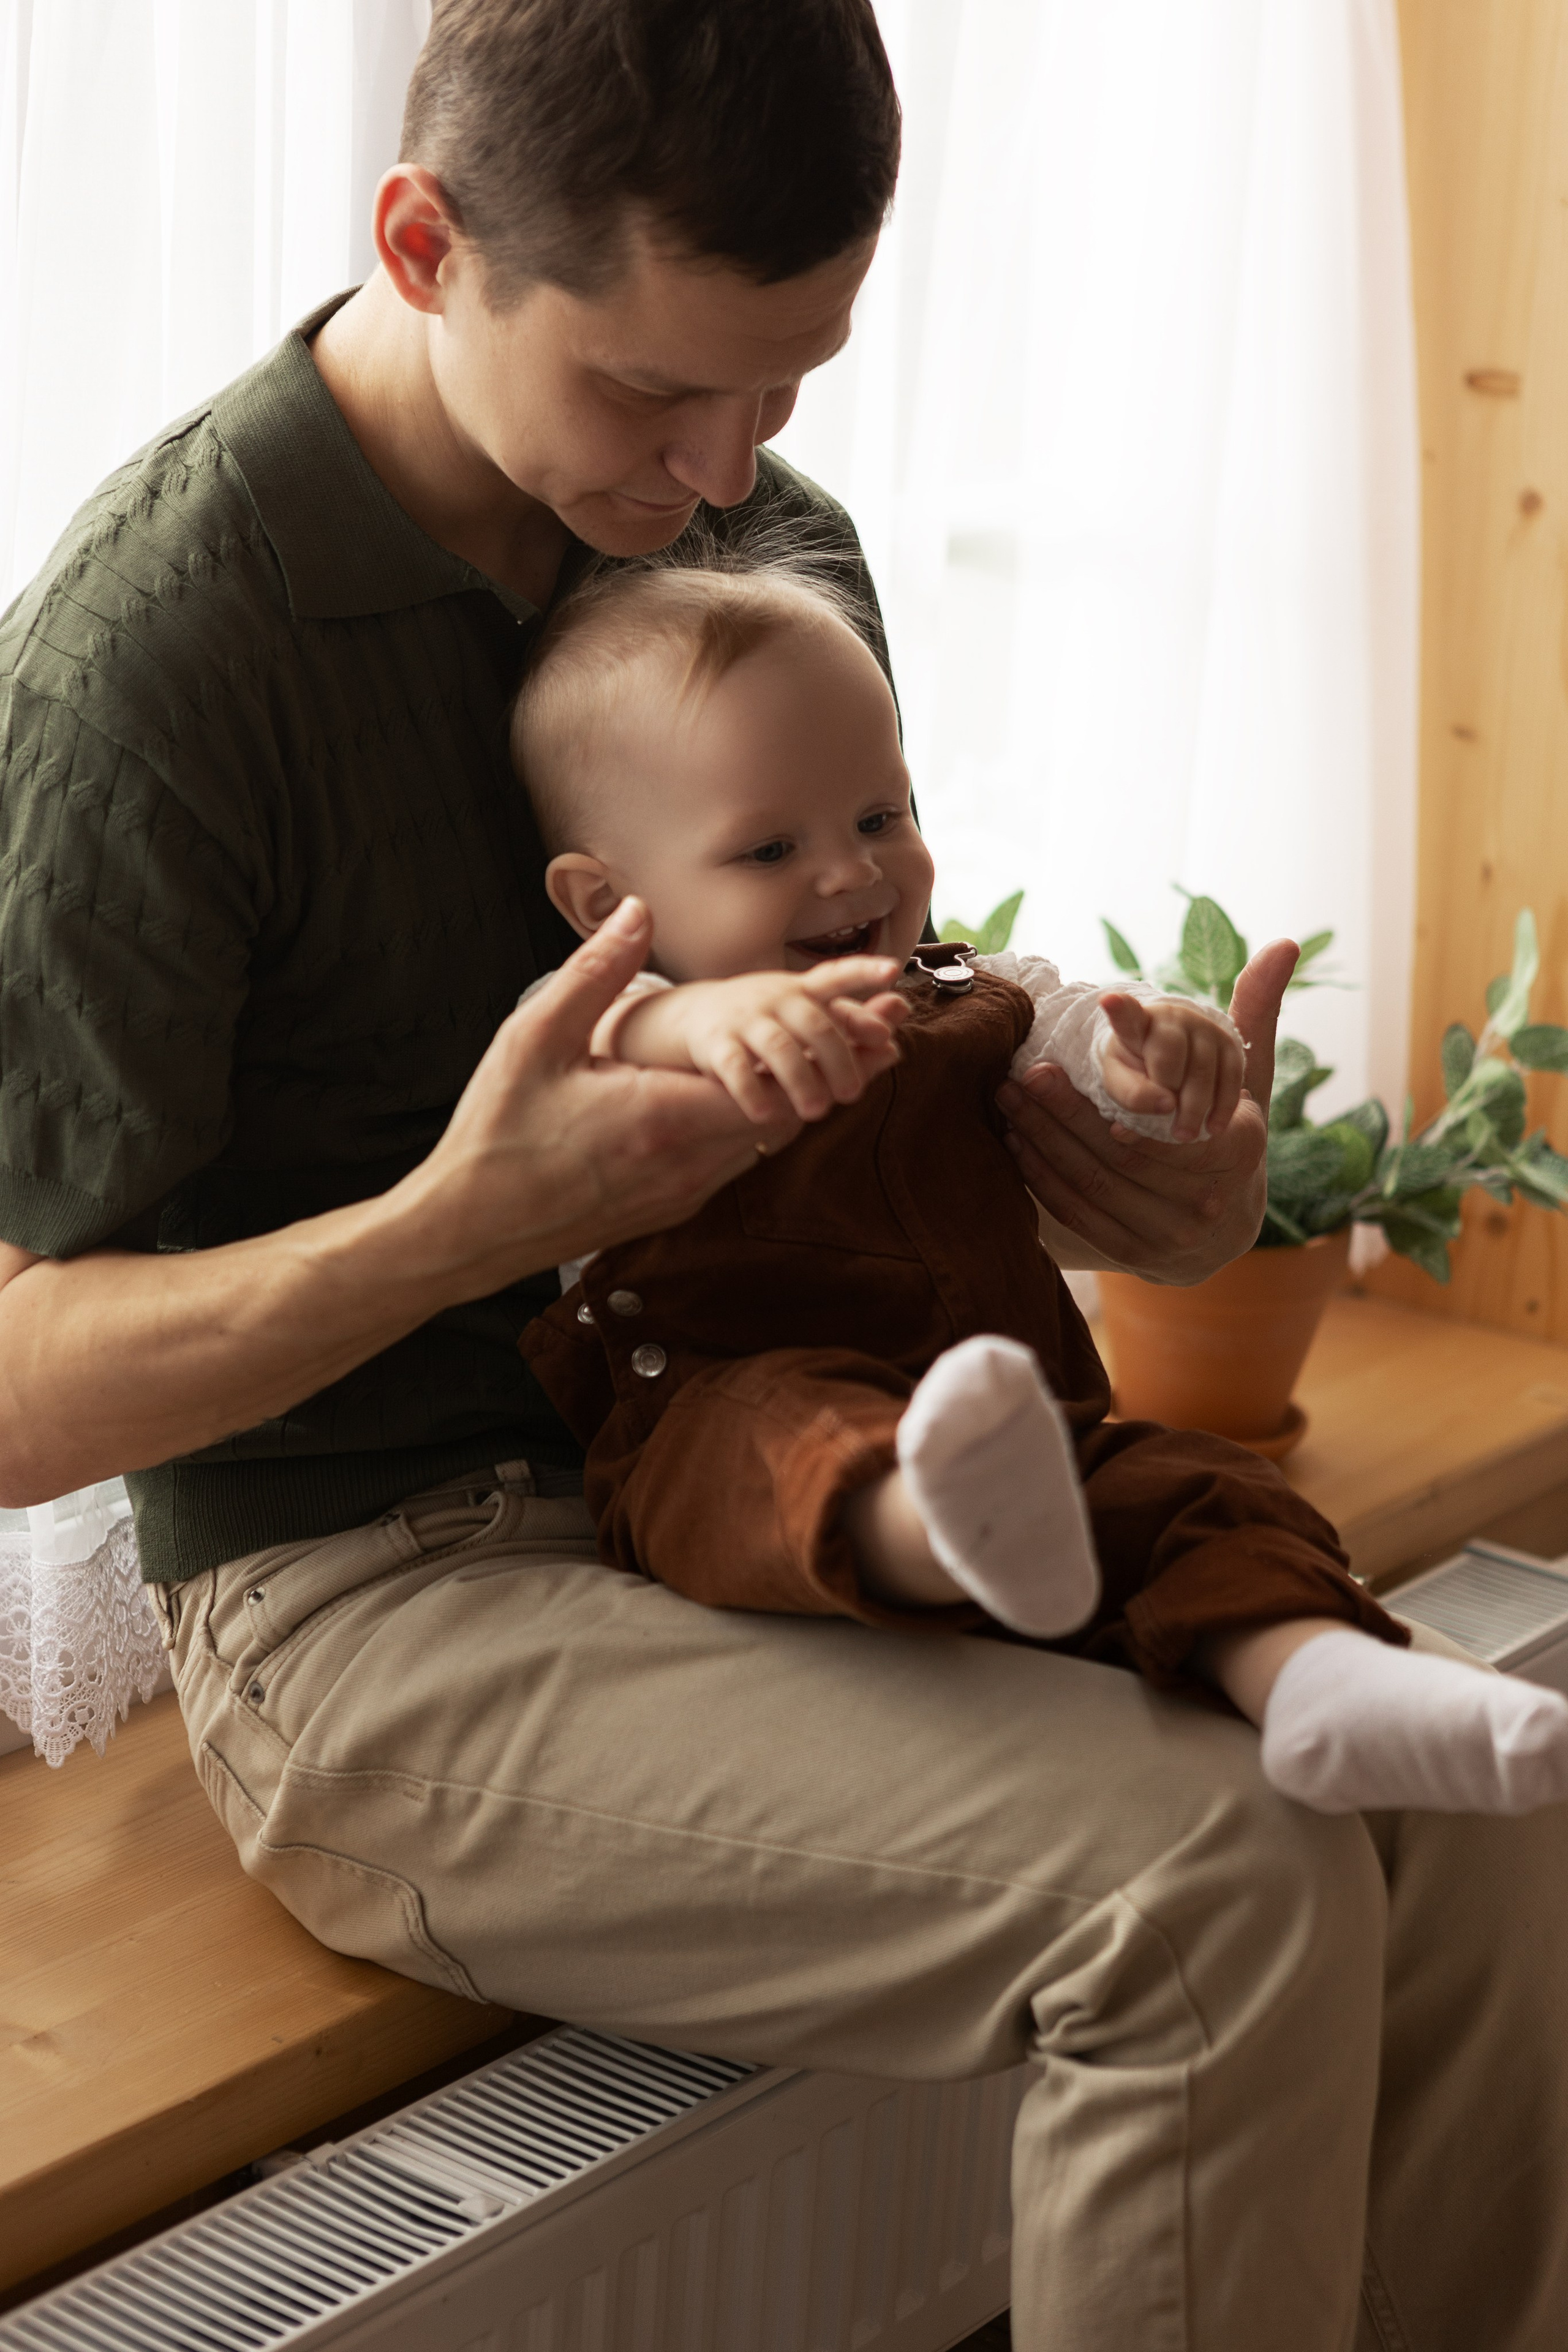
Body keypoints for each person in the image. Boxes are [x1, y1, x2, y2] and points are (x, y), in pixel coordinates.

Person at [0, 2, 1563, 2343]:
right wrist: (464, 1220)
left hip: (797, 1446)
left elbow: (875, 1092)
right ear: (425, 244)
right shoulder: (153, 666)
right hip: (381, 1592)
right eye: (656, 393)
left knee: (1475, 1825)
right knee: (1212, 1885)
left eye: (794, 381)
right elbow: (24, 1388)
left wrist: (1149, 1189)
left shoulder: (751, 542)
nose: (731, 466)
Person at [511, 546, 1568, 1820]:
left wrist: (1156, 1058)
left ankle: (1313, 1682)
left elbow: (1081, 1045)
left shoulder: (966, 991)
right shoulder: (625, 1013)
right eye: (768, 847)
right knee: (788, 1434)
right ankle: (936, 1525)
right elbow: (597, 1052)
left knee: (1201, 1487)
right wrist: (713, 1032)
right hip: (713, 1423)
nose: (849, 874)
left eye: (879, 818)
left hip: (1033, 1437)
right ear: (604, 903)